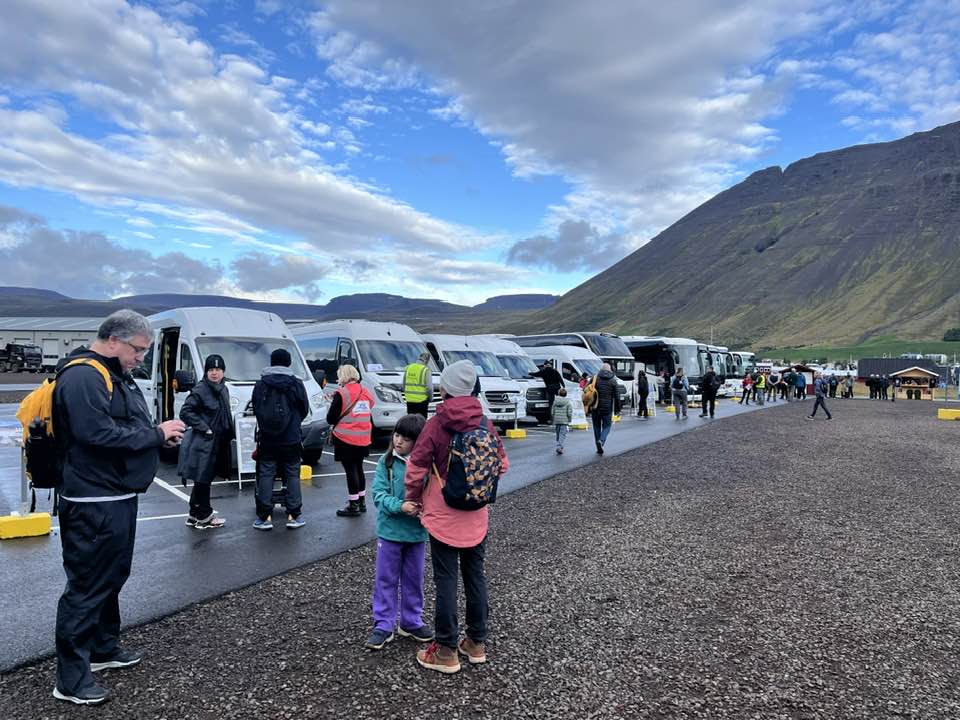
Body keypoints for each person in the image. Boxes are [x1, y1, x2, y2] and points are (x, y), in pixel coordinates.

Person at [52, 310, 185, 705]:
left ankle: (102, 648)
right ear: (113, 340)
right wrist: (155, 434)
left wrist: (156, 438)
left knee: (111, 576)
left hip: (115, 494)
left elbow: (120, 427)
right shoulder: (83, 376)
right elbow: (94, 433)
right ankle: (71, 680)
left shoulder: (111, 374)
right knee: (87, 585)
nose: (140, 358)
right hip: (92, 500)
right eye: (137, 350)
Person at [403, 360, 509, 674]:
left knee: (446, 579)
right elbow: (502, 465)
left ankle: (446, 651)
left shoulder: (436, 424)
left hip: (443, 516)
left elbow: (415, 469)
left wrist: (413, 498)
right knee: (475, 576)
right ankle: (476, 643)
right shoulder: (485, 422)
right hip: (476, 514)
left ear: (444, 389)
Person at [366, 414, 432, 650]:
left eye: (406, 438)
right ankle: (383, 624)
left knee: (414, 580)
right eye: (396, 435)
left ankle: (411, 621)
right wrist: (400, 506)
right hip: (390, 533)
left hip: (416, 534)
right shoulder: (386, 462)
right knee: (386, 579)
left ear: (418, 441)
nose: (399, 441)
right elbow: (378, 495)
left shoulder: (427, 465)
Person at [252, 348, 309, 530]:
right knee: (292, 474)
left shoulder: (261, 384)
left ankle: (265, 517)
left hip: (267, 438)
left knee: (266, 474)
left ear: (271, 362)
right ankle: (294, 515)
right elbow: (304, 408)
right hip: (291, 437)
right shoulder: (296, 383)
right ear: (289, 363)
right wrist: (293, 422)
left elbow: (256, 408)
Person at [178, 354, 231, 529]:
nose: (214, 373)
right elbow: (185, 412)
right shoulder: (200, 389)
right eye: (211, 370)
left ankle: (194, 514)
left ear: (223, 372)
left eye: (218, 369)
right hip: (203, 441)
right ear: (206, 372)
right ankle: (205, 516)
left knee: (203, 478)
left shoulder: (223, 389)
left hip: (217, 441)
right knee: (203, 478)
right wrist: (204, 428)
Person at [327, 364, 375, 518]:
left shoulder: (342, 393)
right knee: (359, 468)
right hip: (363, 437)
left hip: (345, 437)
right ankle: (361, 502)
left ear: (343, 376)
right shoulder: (365, 391)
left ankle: (353, 504)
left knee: (350, 470)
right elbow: (370, 405)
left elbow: (331, 418)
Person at [590, 363, 620, 454]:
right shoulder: (613, 381)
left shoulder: (594, 378)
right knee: (607, 426)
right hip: (607, 408)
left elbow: (586, 389)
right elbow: (617, 396)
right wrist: (617, 410)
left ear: (601, 369)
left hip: (595, 407)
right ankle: (602, 441)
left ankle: (598, 445)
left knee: (596, 426)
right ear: (610, 370)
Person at [403, 352, 433, 418]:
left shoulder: (408, 368)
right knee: (421, 421)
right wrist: (430, 398)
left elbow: (404, 385)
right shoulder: (426, 370)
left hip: (409, 401)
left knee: (410, 421)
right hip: (422, 402)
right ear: (426, 360)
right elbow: (429, 388)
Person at [551, 386, 573, 454]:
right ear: (566, 394)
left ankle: (559, 445)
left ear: (559, 393)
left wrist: (553, 418)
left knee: (558, 434)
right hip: (564, 421)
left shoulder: (555, 401)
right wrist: (569, 420)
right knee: (562, 434)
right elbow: (569, 413)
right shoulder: (568, 402)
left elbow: (552, 411)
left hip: (557, 420)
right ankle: (559, 446)